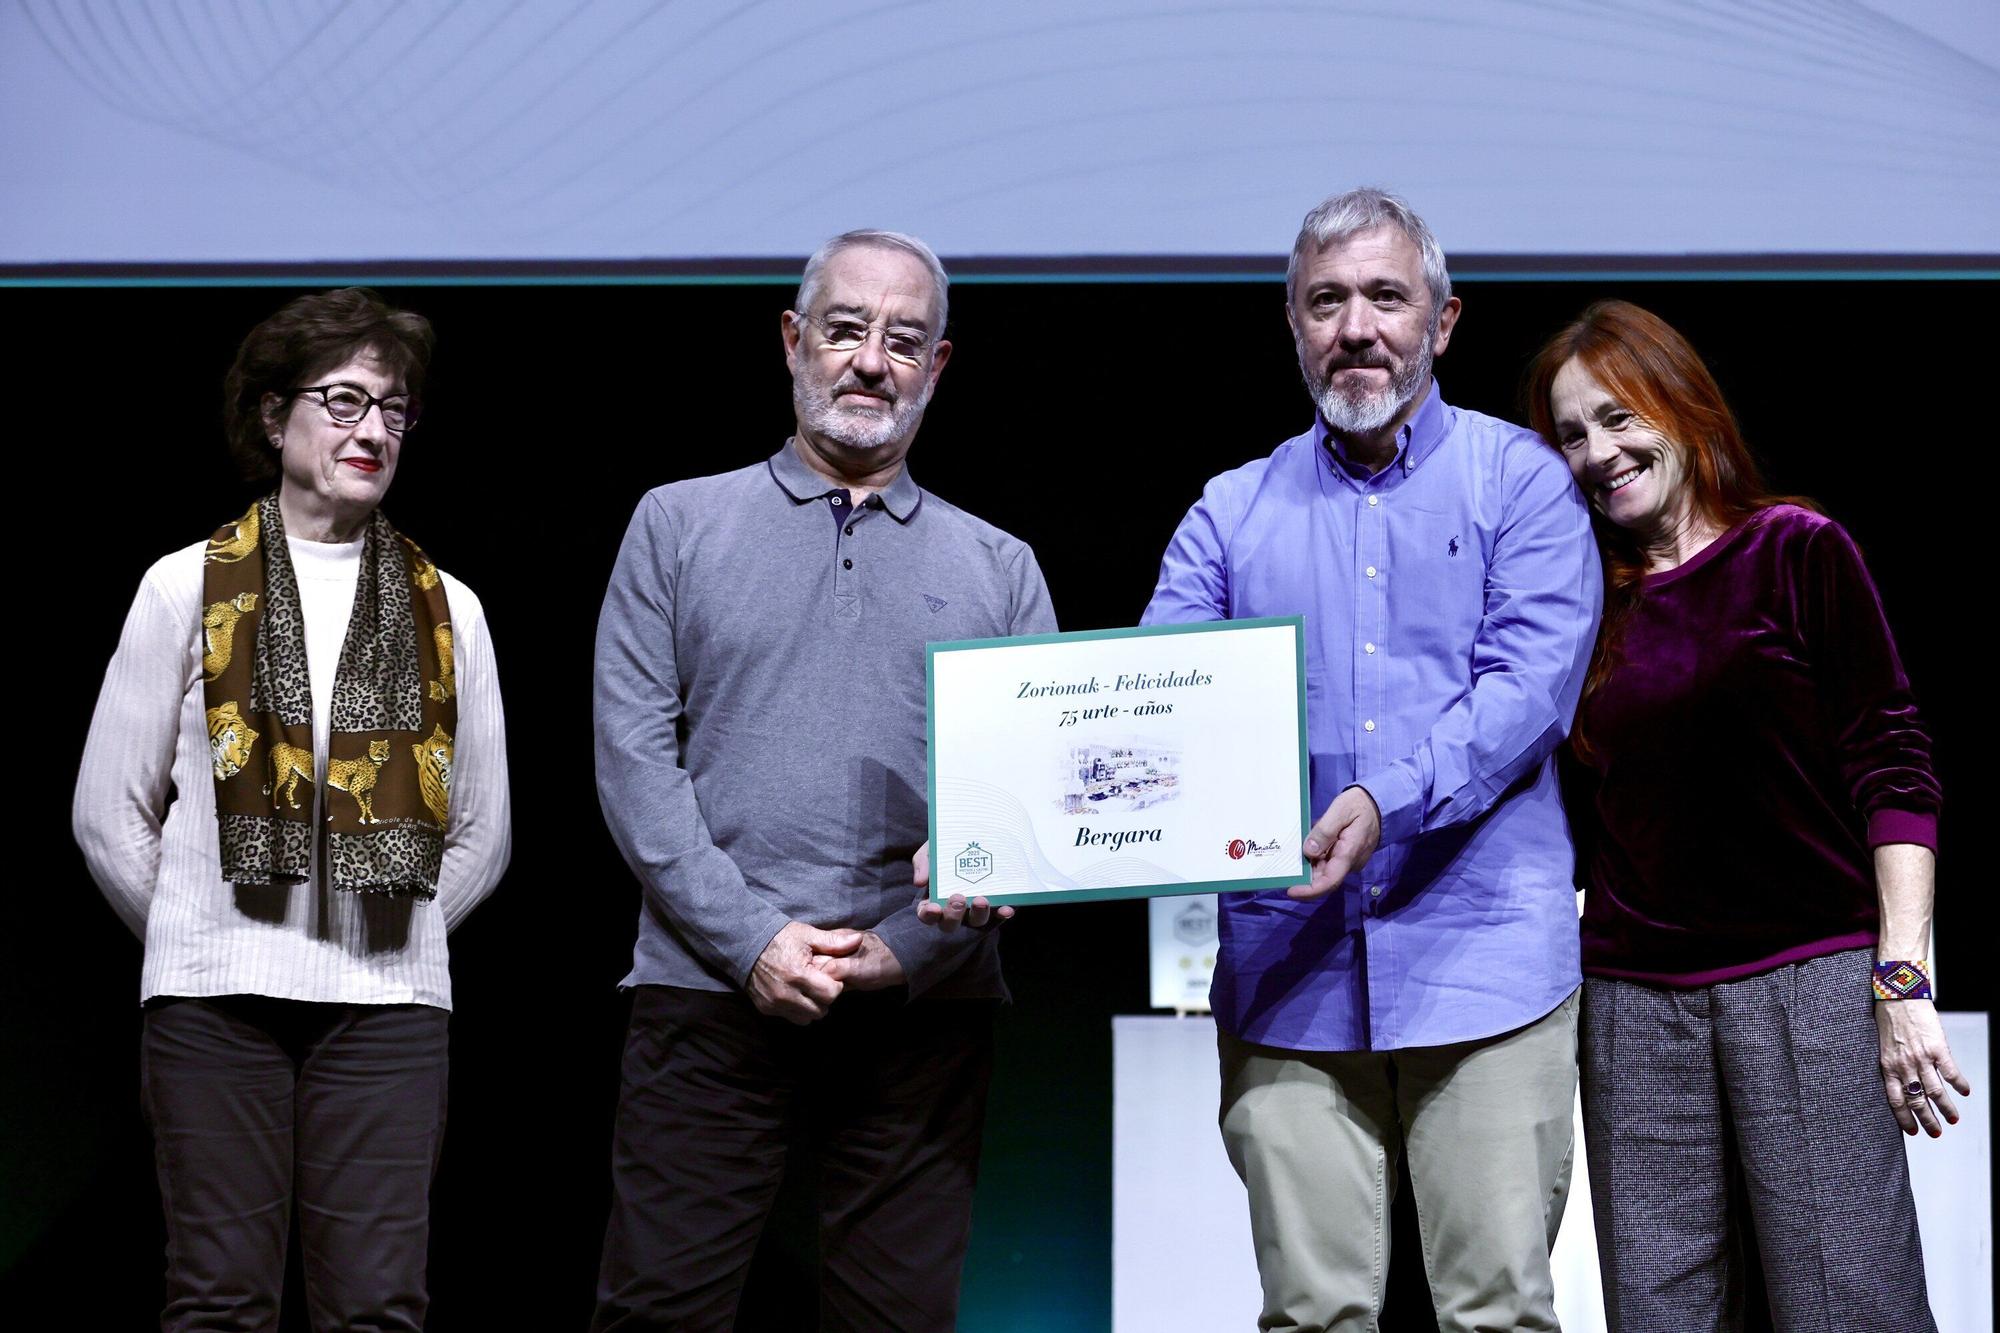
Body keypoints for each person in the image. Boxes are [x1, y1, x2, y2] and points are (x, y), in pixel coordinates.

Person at [1141, 187, 1601, 1332]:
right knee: (1310, 1318)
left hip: (1485, 965)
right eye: (1325, 301)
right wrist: (1021, 828)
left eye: (1386, 298)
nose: (1356, 328)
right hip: (1287, 972)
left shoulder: (1521, 482)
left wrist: (1379, 798)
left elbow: (1525, 692)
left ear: (1441, 321)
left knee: (1496, 1315)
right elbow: (1152, 706)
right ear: (1292, 324)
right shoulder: (1227, 513)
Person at [589, 229, 1056, 1333]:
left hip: (923, 1008)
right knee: (658, 1315)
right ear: (794, 340)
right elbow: (632, 760)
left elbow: (1037, 805)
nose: (871, 362)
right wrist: (752, 940)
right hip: (708, 988)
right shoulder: (676, 524)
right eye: (846, 330)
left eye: (904, 341)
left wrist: (908, 949)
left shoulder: (1001, 568)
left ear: (937, 366)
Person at [72, 287, 511, 1331]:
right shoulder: (183, 585)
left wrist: (385, 935)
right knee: (220, 1302)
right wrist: (199, 932)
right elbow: (108, 813)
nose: (374, 429)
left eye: (394, 408)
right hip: (214, 1006)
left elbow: (482, 834)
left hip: (388, 1009)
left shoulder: (449, 607)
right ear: (275, 417)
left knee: (377, 1308)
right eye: (345, 400)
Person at [1528, 299, 1968, 1332]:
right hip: (1633, 1003)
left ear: (1681, 406)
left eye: (1617, 417)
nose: (1598, 452)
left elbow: (1894, 765)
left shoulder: (1794, 549)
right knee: (1659, 1311)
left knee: (1848, 1302)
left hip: (1806, 981)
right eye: (1572, 434)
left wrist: (1900, 977)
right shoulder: (1580, 603)